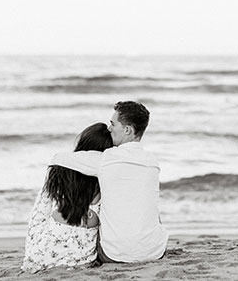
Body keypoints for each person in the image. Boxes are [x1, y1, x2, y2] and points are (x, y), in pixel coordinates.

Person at [51, 101, 168, 263]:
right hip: (155, 251)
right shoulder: (153, 162)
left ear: (127, 130)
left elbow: (58, 158)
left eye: (113, 124)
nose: (109, 128)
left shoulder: (106, 159)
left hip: (115, 255)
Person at [21, 122, 113, 272]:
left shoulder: (58, 171)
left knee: (42, 214)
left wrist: (32, 254)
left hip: (41, 257)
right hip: (82, 260)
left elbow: (38, 215)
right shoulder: (106, 178)